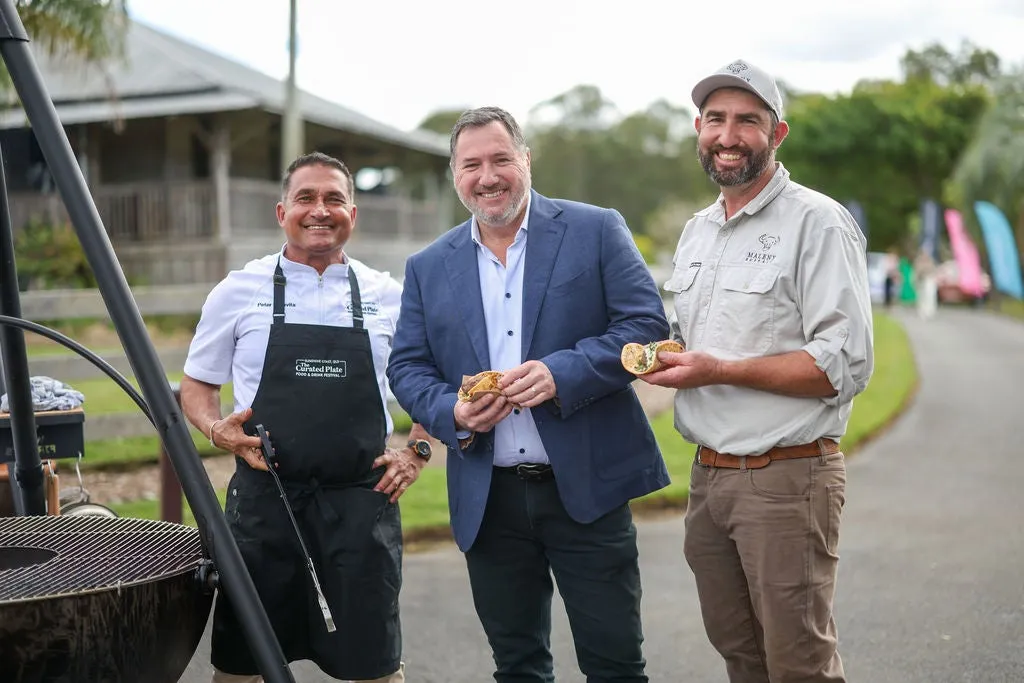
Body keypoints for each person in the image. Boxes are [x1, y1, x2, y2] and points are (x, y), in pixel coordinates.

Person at [386, 106, 670, 682]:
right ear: (454, 174)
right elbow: (408, 367)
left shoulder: (595, 229)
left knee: (615, 664)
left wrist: (562, 373)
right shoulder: (427, 266)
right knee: (517, 667)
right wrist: (453, 412)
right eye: (471, 165)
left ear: (525, 160)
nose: (487, 176)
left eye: (499, 159)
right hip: (489, 499)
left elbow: (645, 327)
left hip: (586, 488)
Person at [640, 60, 873, 683]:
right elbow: (696, 339)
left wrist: (722, 369)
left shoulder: (817, 222)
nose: (728, 134)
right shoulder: (697, 231)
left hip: (786, 479)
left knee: (798, 663)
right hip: (708, 481)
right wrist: (670, 356)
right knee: (741, 657)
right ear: (697, 128)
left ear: (778, 133)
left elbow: (844, 363)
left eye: (748, 120)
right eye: (716, 119)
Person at [180, 151, 432, 683]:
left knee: (375, 666)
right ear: (281, 212)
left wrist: (418, 450)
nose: (320, 210)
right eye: (306, 198)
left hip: (362, 509)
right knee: (243, 664)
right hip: (264, 507)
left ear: (353, 214)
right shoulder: (237, 291)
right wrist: (215, 429)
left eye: (334, 198)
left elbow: (431, 385)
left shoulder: (391, 297)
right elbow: (197, 386)